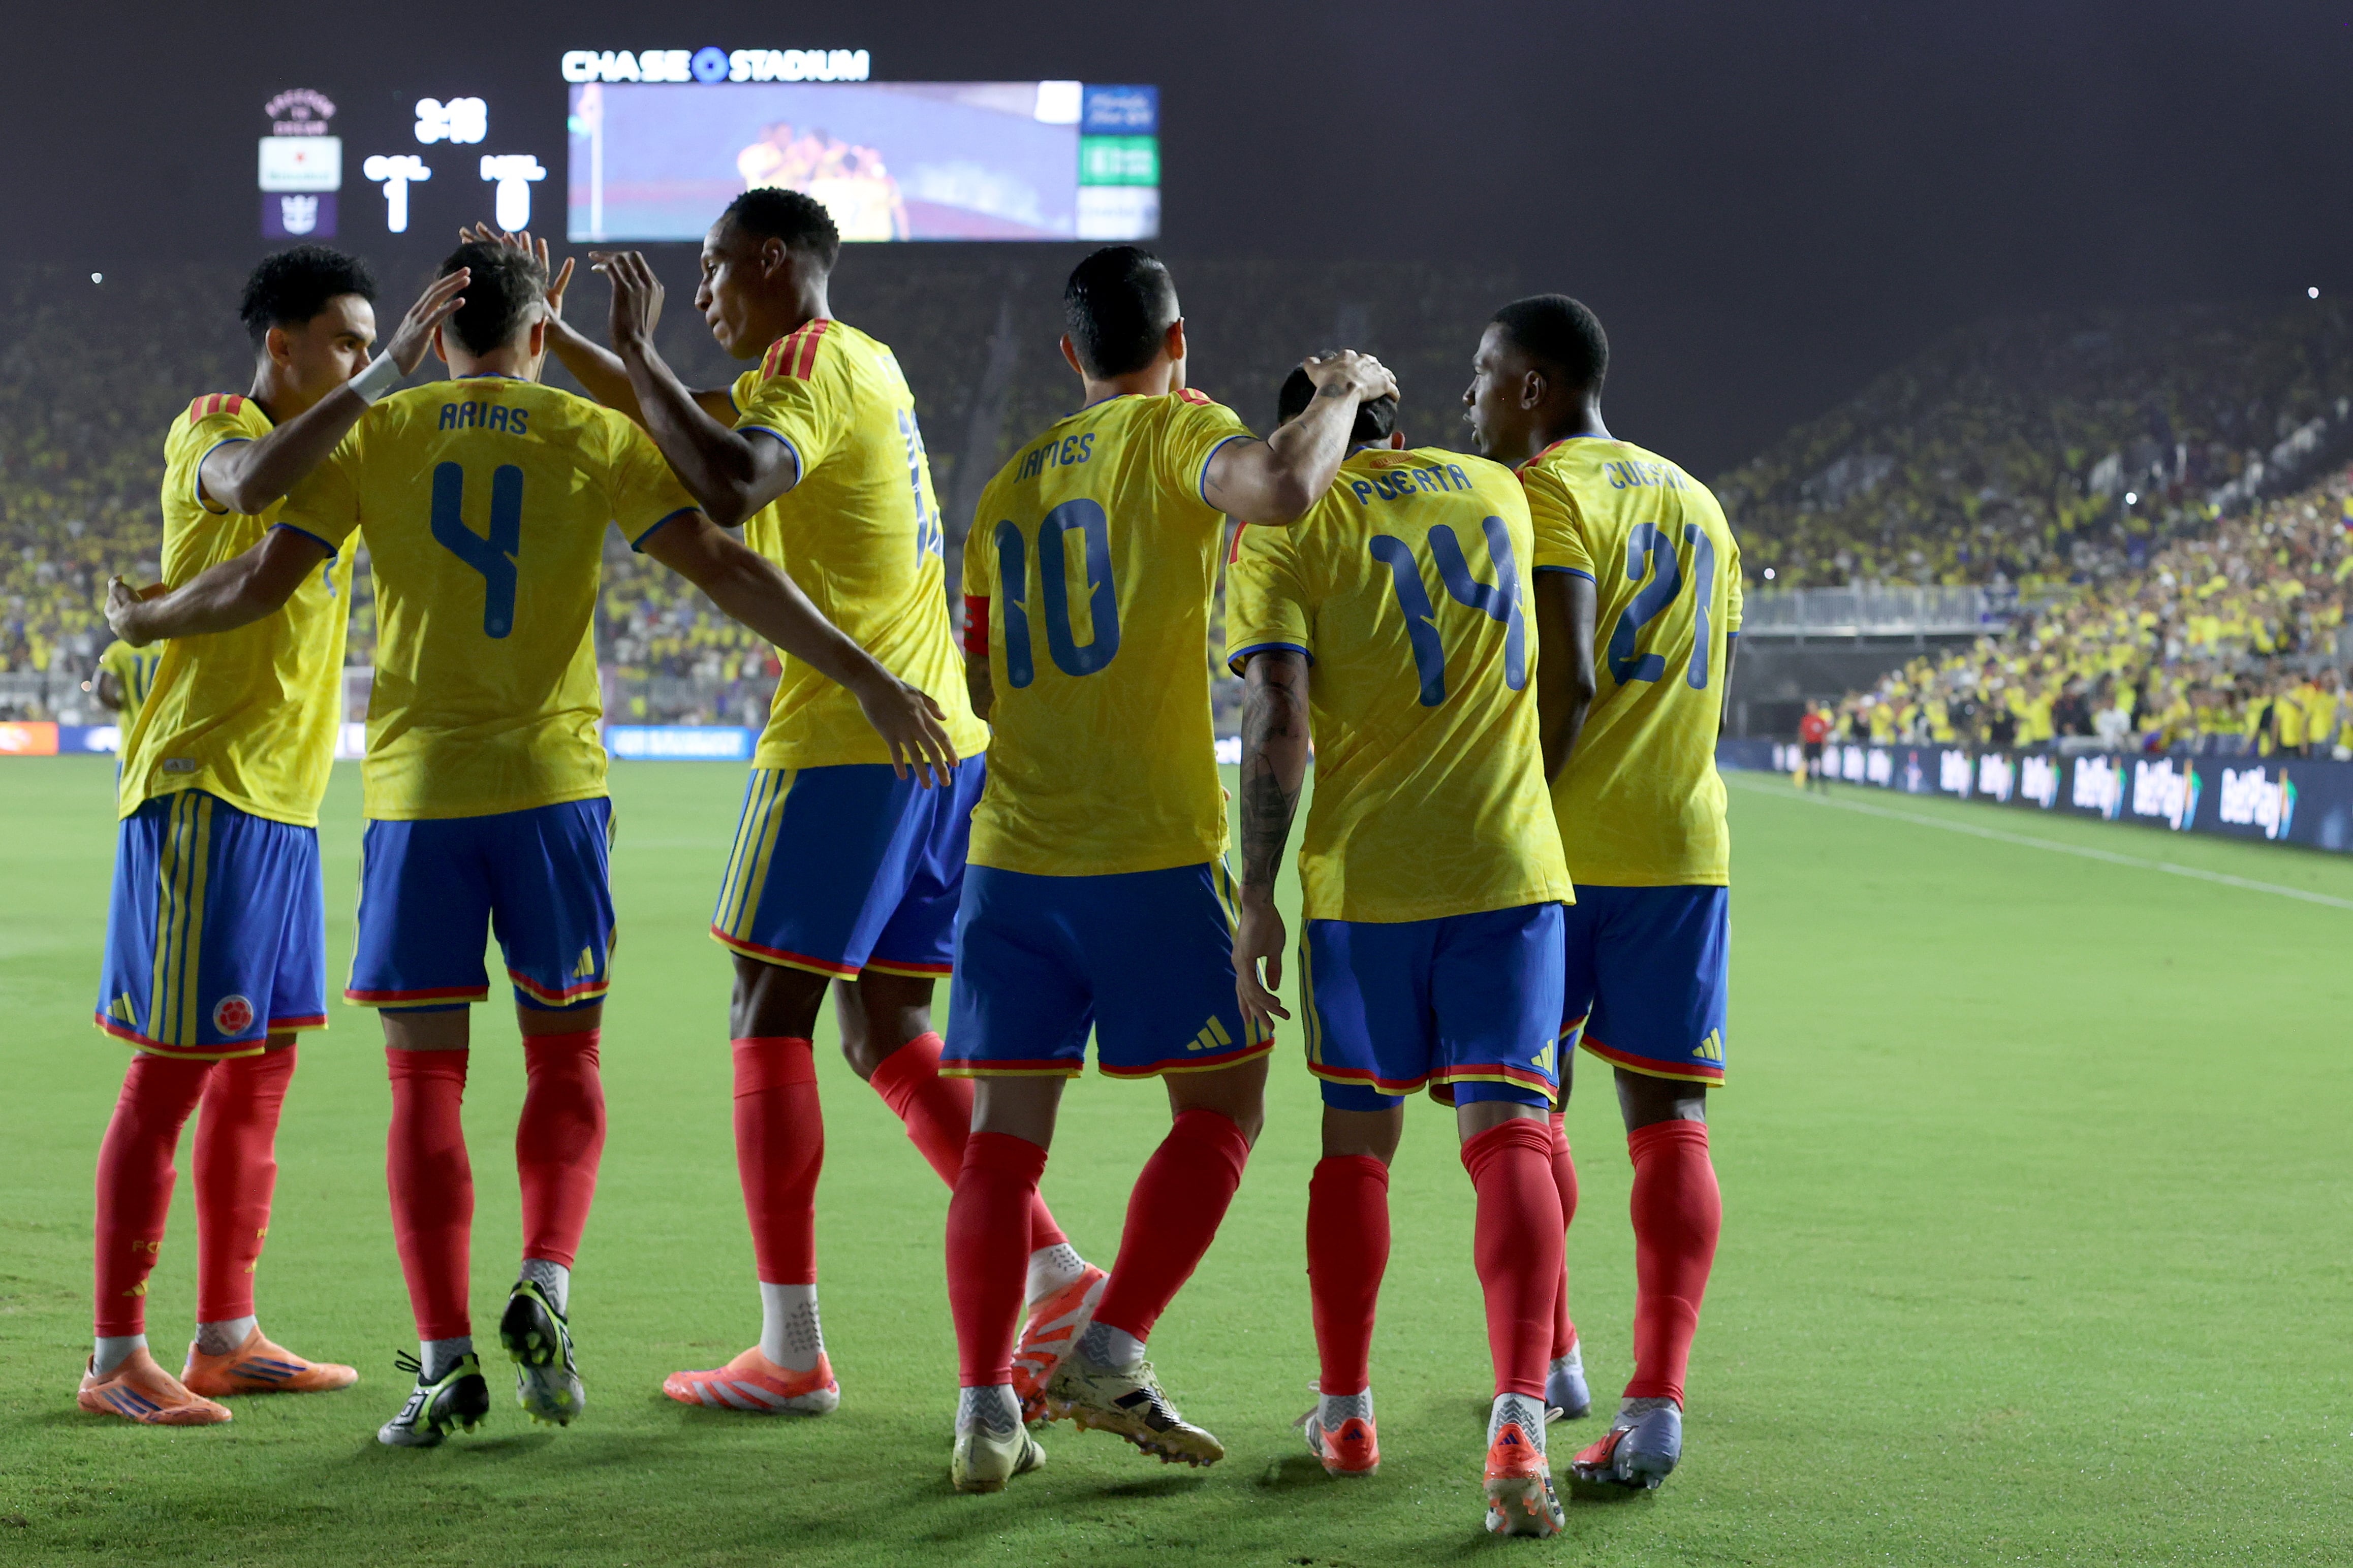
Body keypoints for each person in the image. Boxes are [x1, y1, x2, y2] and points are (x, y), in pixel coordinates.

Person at [109, 239, 956, 1448]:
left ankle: (445, 1362)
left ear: (438, 325)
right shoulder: (593, 437)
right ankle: (547, 1282)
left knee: (426, 1086)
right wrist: (866, 674)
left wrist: (146, 617)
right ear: (540, 326)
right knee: (565, 1067)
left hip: (419, 797)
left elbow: (254, 584)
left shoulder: (376, 439)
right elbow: (723, 564)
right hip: (556, 791)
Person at [516, 189, 1100, 1419]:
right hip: (937, 739)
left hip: (851, 735)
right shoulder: (860, 362)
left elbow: (726, 480)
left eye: (718, 272)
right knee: (883, 1028)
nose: (708, 294)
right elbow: (685, 422)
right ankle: (1051, 1267)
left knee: (764, 1012)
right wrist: (558, 345)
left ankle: (792, 1350)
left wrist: (626, 347)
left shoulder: (805, 362)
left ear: (771, 262)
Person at [939, 245, 1395, 1493]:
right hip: (1146, 853)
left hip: (1013, 857)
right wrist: (1340, 392)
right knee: (1225, 1109)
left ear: (1067, 355)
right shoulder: (1173, 432)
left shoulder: (1008, 482)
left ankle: (983, 1415)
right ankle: (1111, 1346)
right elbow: (1284, 489)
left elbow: (981, 680)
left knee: (1000, 1150)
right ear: (1177, 343)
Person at [77, 244, 468, 1427]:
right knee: (176, 1071)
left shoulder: (337, 456)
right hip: (205, 789)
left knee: (263, 1070)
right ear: (282, 346)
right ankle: (112, 1359)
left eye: (367, 342)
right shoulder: (217, 422)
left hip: (283, 805)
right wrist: (388, 370)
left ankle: (225, 1334)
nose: (361, 361)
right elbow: (241, 490)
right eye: (344, 342)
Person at [1225, 366, 1589, 1537]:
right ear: (1404, 428)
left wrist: (1255, 895)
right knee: (1512, 1139)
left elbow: (1277, 717)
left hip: (1364, 879)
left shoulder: (1283, 528)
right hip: (1506, 866)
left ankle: (1344, 1414)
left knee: (1356, 1149)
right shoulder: (1496, 489)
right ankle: (1522, 1421)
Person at [1464, 293, 1739, 1492]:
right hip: (1681, 846)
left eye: (1481, 377)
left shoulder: (1543, 494)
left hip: (1558, 853)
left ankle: (1557, 1350)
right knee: (1667, 1118)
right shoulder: (1700, 502)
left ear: (1532, 386)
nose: (1468, 399)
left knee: (1525, 1109)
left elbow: (1564, 680)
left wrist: (1506, 809)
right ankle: (1653, 1401)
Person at [92, 639, 163, 736]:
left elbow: (103, 689)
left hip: (133, 733)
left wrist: (119, 706)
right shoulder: (178, 647)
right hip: (166, 732)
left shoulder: (120, 650)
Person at [1797, 702, 1833, 791]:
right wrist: (1802, 748)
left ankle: (1823, 788)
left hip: (1818, 745)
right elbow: (1802, 735)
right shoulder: (1806, 720)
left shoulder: (1821, 720)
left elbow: (1824, 735)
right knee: (1809, 767)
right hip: (1809, 745)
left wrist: (1825, 746)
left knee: (1820, 768)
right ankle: (1810, 787)